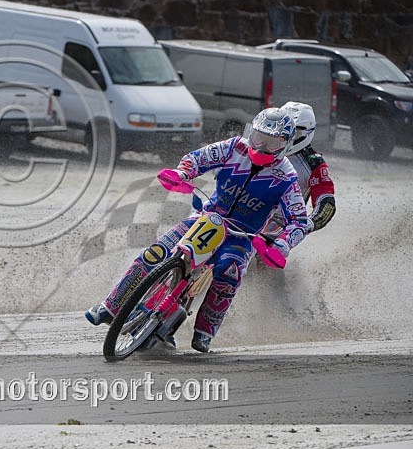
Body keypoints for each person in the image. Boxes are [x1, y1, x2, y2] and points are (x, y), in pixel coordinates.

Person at [85, 107, 312, 352]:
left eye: (271, 143)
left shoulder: (287, 177)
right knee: (156, 252)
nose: (262, 147)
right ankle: (110, 306)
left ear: (286, 145)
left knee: (229, 273)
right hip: (208, 217)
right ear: (251, 133)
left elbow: (300, 221)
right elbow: (198, 158)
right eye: (258, 138)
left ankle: (205, 331)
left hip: (242, 236)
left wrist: (282, 244)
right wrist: (182, 173)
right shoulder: (234, 147)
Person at [261, 101, 335, 236]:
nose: (287, 136)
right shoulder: (262, 145)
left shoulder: (314, 164)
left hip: (278, 224)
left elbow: (326, 203)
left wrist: (307, 224)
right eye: (283, 129)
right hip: (245, 207)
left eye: (294, 132)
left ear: (306, 133)